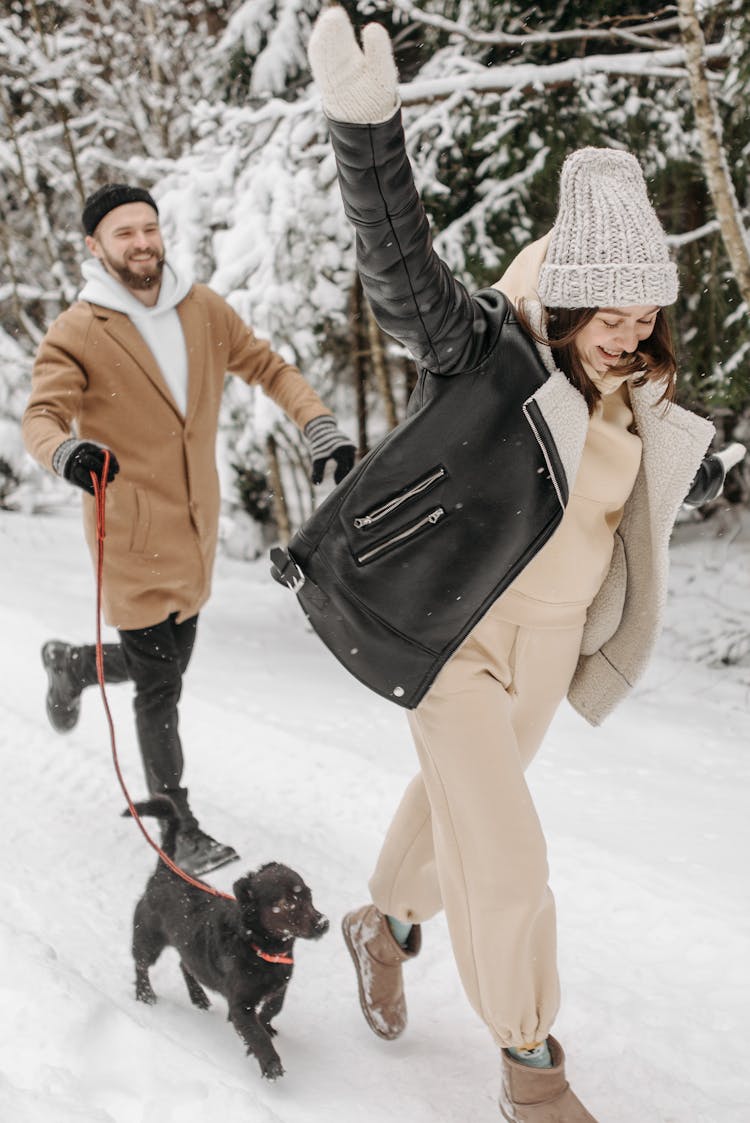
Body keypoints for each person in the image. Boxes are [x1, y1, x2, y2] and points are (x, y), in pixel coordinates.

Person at [285, 8, 747, 1122]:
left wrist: (716, 464)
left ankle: (383, 924)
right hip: (456, 639)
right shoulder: (490, 349)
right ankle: (533, 1069)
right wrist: (366, 133)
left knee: (454, 820)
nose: (628, 338)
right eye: (611, 316)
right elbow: (403, 278)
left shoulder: (636, 382)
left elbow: (624, 482)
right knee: (507, 857)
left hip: (549, 648)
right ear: (570, 296)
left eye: (646, 320)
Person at [23, 182, 355, 878]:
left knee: (167, 664)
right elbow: (41, 419)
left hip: (198, 528)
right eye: (123, 233)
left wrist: (317, 424)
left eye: (148, 228)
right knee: (160, 687)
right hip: (129, 534)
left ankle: (75, 665)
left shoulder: (202, 309)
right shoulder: (78, 331)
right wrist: (67, 453)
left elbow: (268, 366)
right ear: (94, 246)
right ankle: (180, 827)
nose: (142, 242)